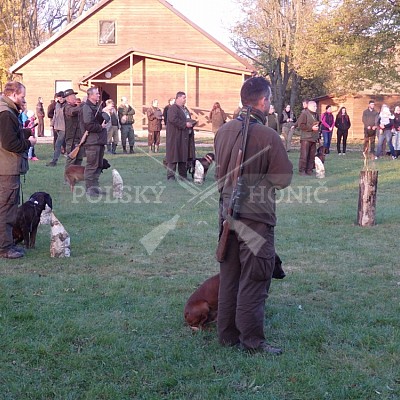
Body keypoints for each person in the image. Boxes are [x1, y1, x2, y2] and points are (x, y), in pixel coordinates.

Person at [214, 76, 293, 355]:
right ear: (263, 101)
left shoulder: (222, 131)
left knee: (230, 275)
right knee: (255, 279)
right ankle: (252, 341)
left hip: (226, 214)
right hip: (256, 218)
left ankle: (226, 335)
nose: (270, 103)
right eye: (269, 99)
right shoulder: (269, 135)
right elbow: (282, 179)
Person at [0, 81, 37, 259]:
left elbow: (8, 136)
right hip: (6, 169)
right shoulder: (6, 114)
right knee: (6, 209)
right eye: (22, 96)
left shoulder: (5, 111)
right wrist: (28, 143)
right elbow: (10, 143)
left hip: (5, 167)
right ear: (13, 94)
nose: (23, 100)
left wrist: (25, 132)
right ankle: (5, 248)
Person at [80, 87, 108, 196]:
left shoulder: (95, 107)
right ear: (90, 95)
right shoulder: (87, 108)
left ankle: (96, 188)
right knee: (91, 166)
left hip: (98, 141)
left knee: (98, 165)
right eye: (96, 94)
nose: (98, 95)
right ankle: (90, 189)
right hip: (92, 141)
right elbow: (88, 125)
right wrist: (100, 127)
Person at [165, 91, 194, 180]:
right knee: (173, 157)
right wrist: (185, 124)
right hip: (175, 137)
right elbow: (173, 119)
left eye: (185, 98)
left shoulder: (185, 109)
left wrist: (191, 123)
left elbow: (187, 118)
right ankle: (171, 176)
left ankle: (183, 176)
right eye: (183, 98)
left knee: (183, 157)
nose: (185, 100)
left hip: (184, 137)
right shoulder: (173, 108)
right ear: (178, 98)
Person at [297, 100, 320, 176]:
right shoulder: (304, 114)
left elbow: (318, 123)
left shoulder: (316, 115)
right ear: (309, 106)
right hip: (306, 138)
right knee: (304, 155)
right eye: (314, 106)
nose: (316, 108)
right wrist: (311, 128)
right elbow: (301, 125)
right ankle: (302, 171)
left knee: (311, 155)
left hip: (313, 138)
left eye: (316, 106)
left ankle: (309, 170)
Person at [63, 88, 84, 168]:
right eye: (73, 96)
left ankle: (76, 177)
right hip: (72, 138)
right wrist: (83, 105)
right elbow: (73, 112)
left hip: (79, 137)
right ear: (68, 98)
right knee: (71, 159)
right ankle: (68, 178)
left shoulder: (76, 107)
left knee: (79, 159)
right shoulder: (67, 107)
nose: (75, 97)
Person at [46, 91, 66, 166]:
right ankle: (55, 160)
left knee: (59, 143)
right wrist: (53, 124)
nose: (60, 98)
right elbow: (55, 115)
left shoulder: (66, 105)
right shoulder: (57, 105)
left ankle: (54, 160)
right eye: (59, 97)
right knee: (58, 144)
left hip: (64, 127)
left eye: (61, 96)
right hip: (57, 127)